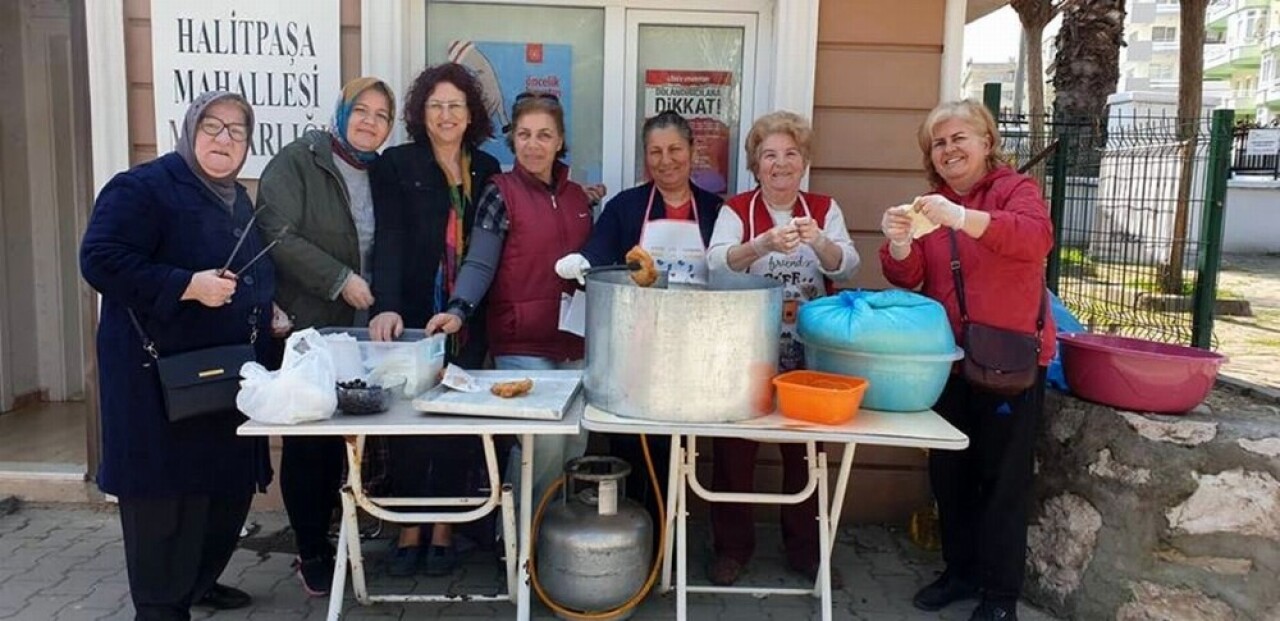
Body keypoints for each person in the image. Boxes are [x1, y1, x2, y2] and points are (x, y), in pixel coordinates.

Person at [80, 91, 275, 620]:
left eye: (237, 131)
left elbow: (244, 274)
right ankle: (164, 604)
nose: (224, 139)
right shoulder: (143, 188)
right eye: (213, 126)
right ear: (189, 130)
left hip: (218, 386)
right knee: (165, 511)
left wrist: (268, 306)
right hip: (156, 392)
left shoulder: (235, 198)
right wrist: (186, 285)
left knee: (220, 501)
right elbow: (99, 259)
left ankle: (197, 582)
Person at [879, 100, 1054, 621]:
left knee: (1004, 482)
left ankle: (1000, 597)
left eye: (960, 137)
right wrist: (901, 243)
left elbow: (1034, 239)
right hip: (950, 362)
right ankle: (960, 573)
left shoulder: (1013, 191)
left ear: (986, 142)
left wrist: (965, 218)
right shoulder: (928, 204)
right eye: (939, 142)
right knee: (950, 475)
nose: (950, 149)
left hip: (1010, 363)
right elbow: (906, 278)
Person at [705, 110, 860, 588]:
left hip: (807, 350)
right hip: (746, 349)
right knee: (735, 452)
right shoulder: (737, 210)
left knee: (807, 455)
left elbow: (849, 265)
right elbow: (715, 264)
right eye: (769, 155)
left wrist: (820, 245)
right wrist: (761, 244)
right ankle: (732, 549)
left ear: (804, 161)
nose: (780, 163)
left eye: (790, 154)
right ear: (755, 164)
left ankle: (807, 552)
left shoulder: (823, 208)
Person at [255, 76, 396, 595]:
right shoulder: (300, 161)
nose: (370, 122)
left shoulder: (380, 172)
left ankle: (344, 536)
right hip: (309, 322)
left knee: (347, 439)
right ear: (340, 111)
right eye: (361, 110)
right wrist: (339, 279)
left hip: (363, 328)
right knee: (309, 442)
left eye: (382, 115)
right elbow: (275, 231)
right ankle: (312, 548)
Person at [425, 91, 599, 502]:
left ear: (560, 141)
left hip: (576, 342)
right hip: (522, 342)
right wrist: (459, 309)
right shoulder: (499, 191)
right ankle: (521, 541)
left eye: (544, 135)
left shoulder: (578, 198)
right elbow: (481, 263)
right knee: (543, 445)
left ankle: (556, 540)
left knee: (575, 443)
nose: (533, 145)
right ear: (512, 139)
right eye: (524, 134)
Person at [553, 110, 722, 522]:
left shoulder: (716, 211)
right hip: (634, 350)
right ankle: (633, 531)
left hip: (692, 352)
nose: (666, 160)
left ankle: (667, 535)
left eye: (675, 149)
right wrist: (581, 262)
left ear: (692, 151)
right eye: (655, 152)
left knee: (675, 450)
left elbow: (730, 270)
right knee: (631, 444)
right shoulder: (627, 206)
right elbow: (600, 250)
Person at [367, 63, 502, 577]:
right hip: (410, 314)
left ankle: (443, 524)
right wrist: (386, 304)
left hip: (467, 315)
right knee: (408, 420)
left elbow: (491, 248)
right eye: (435, 106)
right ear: (420, 114)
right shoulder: (397, 165)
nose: (446, 116)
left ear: (471, 115)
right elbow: (389, 240)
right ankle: (407, 524)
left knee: (455, 420)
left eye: (456, 106)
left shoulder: (488, 168)